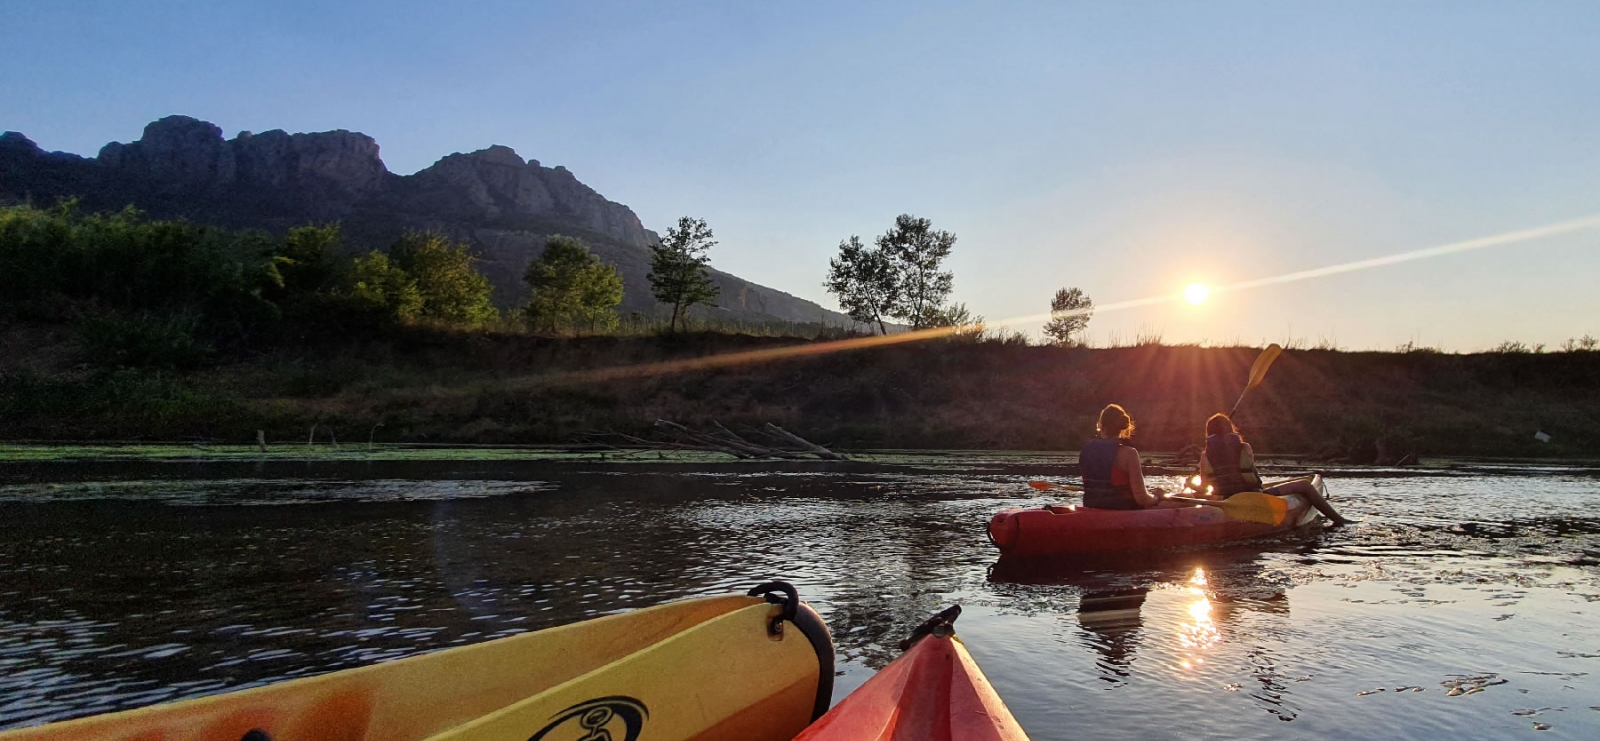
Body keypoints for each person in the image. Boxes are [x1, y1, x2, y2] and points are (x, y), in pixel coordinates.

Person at [1199, 413, 1351, 526]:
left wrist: (1192, 485)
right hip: (1255, 497)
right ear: (1230, 428)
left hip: (1225, 500)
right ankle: (1339, 520)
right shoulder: (1244, 447)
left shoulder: (1205, 455)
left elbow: (1204, 487)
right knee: (1304, 485)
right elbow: (1245, 473)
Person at [1079, 404, 1171, 510]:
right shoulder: (1129, 454)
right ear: (1122, 427)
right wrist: (1158, 497)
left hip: (1092, 508)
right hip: (1124, 510)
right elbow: (1141, 499)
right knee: (1182, 500)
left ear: (1100, 426)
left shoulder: (1086, 450)